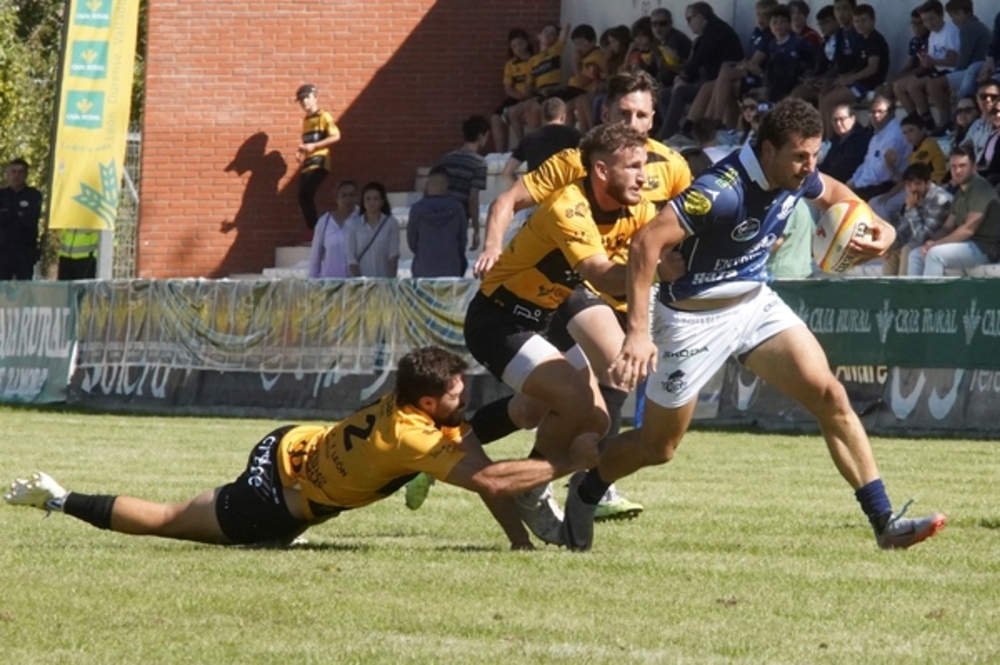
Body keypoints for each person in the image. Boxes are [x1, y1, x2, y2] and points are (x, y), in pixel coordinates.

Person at [562, 97, 947, 553]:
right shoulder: (720, 190)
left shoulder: (797, 175)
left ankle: (885, 522)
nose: (809, 167)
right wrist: (639, 334)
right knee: (657, 447)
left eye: (814, 156)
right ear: (767, 150)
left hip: (754, 303)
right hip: (691, 321)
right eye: (800, 157)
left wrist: (875, 223)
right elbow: (647, 244)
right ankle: (586, 492)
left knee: (831, 395)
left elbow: (837, 194)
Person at [3, 347, 599, 550]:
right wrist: (568, 461)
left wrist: (518, 541)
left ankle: (299, 526)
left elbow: (485, 469)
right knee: (169, 522)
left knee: (285, 540)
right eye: (455, 393)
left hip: (294, 441)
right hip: (275, 492)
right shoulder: (412, 434)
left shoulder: (418, 411)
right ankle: (57, 499)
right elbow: (493, 482)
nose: (463, 398)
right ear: (425, 401)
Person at [471, 72, 691, 526]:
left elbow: (672, 237)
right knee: (589, 389)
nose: (644, 176)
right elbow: (512, 205)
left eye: (642, 115)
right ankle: (542, 484)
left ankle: (463, 446)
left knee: (560, 407)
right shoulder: (572, 178)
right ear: (605, 116)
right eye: (623, 113)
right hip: (532, 302)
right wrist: (492, 246)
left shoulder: (663, 172)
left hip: (575, 292)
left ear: (654, 120)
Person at [656, 3, 744, 142]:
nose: (688, 24)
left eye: (689, 19)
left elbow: (699, 59)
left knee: (680, 92)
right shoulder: (707, 33)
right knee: (664, 94)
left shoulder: (715, 30)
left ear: (700, 17)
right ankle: (674, 132)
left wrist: (683, 77)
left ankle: (668, 135)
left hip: (716, 80)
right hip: (707, 80)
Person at [908, 145, 1000, 275]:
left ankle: (930, 295)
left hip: (985, 249)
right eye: (953, 166)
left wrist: (937, 245)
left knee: (935, 255)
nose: (957, 171)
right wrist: (931, 242)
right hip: (966, 245)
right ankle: (914, 295)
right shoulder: (960, 193)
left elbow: (968, 230)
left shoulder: (981, 189)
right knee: (916, 254)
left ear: (973, 167)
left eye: (962, 166)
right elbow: (947, 227)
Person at [817, 4, 889, 139]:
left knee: (830, 101)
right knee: (824, 94)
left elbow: (872, 68)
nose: (860, 24)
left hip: (868, 85)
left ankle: (832, 140)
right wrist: (843, 79)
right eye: (857, 21)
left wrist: (851, 79)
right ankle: (825, 137)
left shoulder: (875, 40)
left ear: (873, 20)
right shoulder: (861, 38)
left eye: (864, 20)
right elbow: (858, 66)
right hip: (858, 82)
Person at [894, 1, 960, 135]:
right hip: (935, 69)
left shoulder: (950, 31)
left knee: (918, 86)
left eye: (932, 19)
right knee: (898, 86)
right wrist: (926, 61)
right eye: (925, 20)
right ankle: (917, 121)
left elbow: (954, 61)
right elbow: (931, 58)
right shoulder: (933, 34)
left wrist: (932, 61)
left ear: (941, 16)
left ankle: (942, 122)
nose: (929, 24)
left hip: (948, 71)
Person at [870, 112, 948, 222]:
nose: (908, 136)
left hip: (930, 187)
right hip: (915, 186)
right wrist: (890, 165)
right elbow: (905, 177)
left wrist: (889, 194)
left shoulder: (928, 146)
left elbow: (909, 178)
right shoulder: (915, 148)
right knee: (873, 202)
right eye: (904, 133)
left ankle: (891, 235)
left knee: (883, 207)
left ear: (923, 130)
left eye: (911, 131)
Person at [882, 162, 953, 275]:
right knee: (892, 253)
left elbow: (922, 237)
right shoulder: (913, 198)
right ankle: (888, 291)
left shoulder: (940, 200)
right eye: (909, 185)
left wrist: (911, 209)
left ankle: (906, 291)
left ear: (928, 183)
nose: (913, 189)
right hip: (922, 241)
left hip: (939, 243)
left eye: (917, 184)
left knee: (907, 249)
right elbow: (904, 231)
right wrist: (890, 245)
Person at [501, 97, 582, 188]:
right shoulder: (574, 136)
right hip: (568, 196)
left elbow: (507, 173)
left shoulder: (529, 139)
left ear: (543, 117)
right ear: (563, 117)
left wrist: (524, 192)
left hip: (540, 196)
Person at [436, 116, 489, 251]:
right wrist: (476, 229)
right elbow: (473, 197)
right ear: (480, 136)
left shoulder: (446, 159)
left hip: (439, 213)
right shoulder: (479, 163)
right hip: (459, 216)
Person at [294, 84, 341, 235]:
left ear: (315, 97)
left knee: (305, 196)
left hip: (320, 161)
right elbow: (309, 142)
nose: (304, 102)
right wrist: (302, 150)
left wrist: (314, 146)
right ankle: (315, 231)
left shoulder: (324, 116)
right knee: (304, 197)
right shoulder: (306, 120)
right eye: (301, 99)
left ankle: (315, 232)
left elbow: (336, 136)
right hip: (308, 162)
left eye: (307, 97)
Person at [846, 95, 912, 202]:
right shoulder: (877, 136)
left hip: (887, 186)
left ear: (891, 113)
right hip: (869, 185)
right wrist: (853, 180)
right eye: (872, 112)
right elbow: (867, 164)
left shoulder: (894, 135)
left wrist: (856, 184)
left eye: (880, 111)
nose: (875, 115)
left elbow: (882, 173)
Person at [407, 166, 468, 278]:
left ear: (428, 184)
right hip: (451, 268)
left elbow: (412, 243)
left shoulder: (416, 210)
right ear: (446, 185)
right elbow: (462, 241)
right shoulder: (457, 208)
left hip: (423, 269)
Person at [490, 29, 534, 154]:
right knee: (495, 118)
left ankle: (522, 147)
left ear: (527, 43)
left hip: (531, 95)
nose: (518, 48)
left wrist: (526, 95)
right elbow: (508, 88)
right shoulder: (511, 64)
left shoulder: (534, 60)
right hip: (516, 96)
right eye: (514, 46)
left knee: (512, 113)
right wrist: (519, 96)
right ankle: (500, 153)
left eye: (520, 44)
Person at [0, 158, 42, 281]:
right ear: (7, 174)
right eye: (13, 172)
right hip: (3, 253)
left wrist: (8, 217)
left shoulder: (33, 195)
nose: (16, 176)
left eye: (20, 172)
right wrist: (17, 215)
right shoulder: (2, 195)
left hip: (25, 253)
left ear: (26, 175)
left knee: (24, 291)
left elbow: (29, 221)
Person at [346, 181, 399, 278]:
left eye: (376, 199)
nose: (372, 203)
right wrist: (359, 282)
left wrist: (392, 281)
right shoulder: (353, 224)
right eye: (368, 199)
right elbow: (351, 257)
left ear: (382, 201)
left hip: (384, 280)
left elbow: (393, 254)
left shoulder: (391, 223)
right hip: (362, 282)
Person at [308, 180, 358, 279]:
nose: (348, 199)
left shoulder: (362, 219)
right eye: (344, 196)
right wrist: (312, 281)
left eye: (351, 195)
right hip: (329, 282)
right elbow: (315, 257)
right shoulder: (325, 222)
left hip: (355, 283)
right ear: (336, 199)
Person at [943, 0, 991, 102]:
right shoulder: (974, 25)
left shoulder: (969, 27)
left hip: (979, 66)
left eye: (957, 14)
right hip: (977, 66)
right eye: (951, 16)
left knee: (935, 85)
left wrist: (953, 76)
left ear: (968, 12)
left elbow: (964, 57)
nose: (954, 19)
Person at [819, 104, 873, 183]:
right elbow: (826, 163)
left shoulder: (861, 139)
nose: (838, 123)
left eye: (842, 119)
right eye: (835, 120)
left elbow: (843, 170)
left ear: (852, 119)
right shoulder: (836, 139)